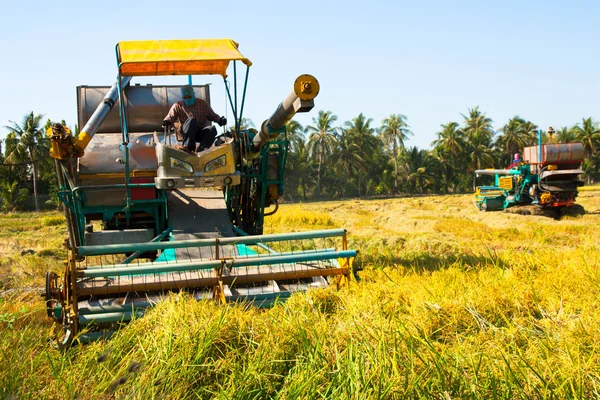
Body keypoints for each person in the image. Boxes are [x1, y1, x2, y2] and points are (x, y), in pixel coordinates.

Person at [162, 85, 227, 152]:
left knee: (212, 129)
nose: (188, 99)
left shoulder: (203, 104)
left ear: (193, 95)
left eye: (189, 96)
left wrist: (220, 120)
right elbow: (170, 116)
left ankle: (202, 149)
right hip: (186, 132)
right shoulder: (178, 106)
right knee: (191, 120)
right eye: (185, 97)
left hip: (200, 131)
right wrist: (166, 122)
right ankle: (188, 147)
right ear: (182, 97)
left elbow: (213, 115)